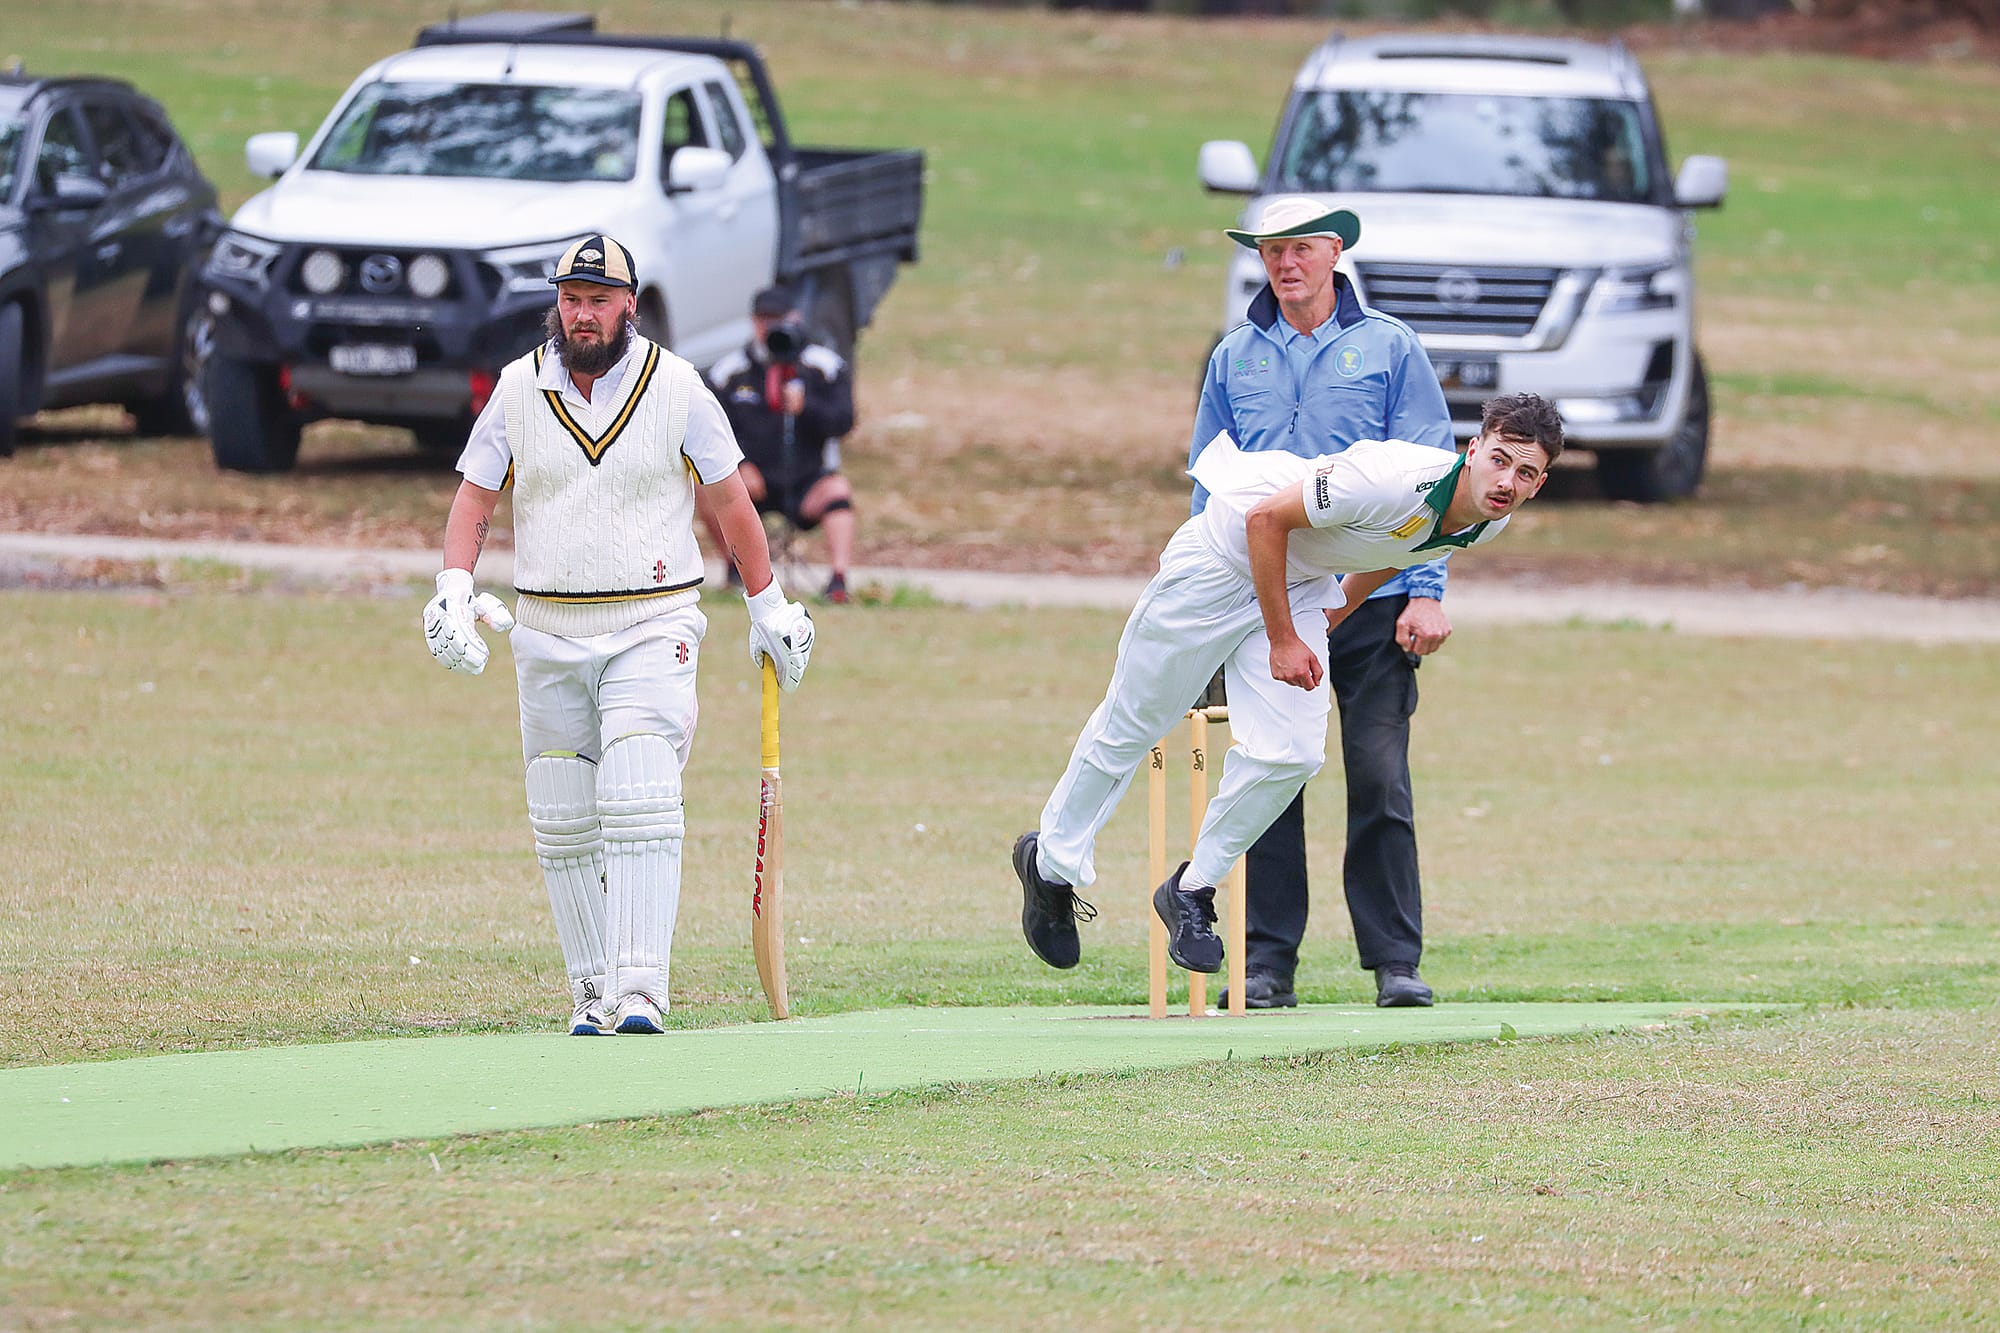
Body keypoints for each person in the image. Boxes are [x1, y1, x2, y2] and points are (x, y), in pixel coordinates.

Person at [1014, 395, 1563, 979]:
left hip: (1297, 583)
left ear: (1541, 482)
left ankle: (1192, 890)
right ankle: (1050, 866)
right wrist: (1282, 639)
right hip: (1222, 559)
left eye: (1525, 472)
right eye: (1499, 460)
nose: (1506, 480)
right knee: (1134, 726)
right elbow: (1265, 520)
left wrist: (1334, 614)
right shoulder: (1389, 479)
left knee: (1293, 752)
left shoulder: (1487, 521)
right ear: (1472, 450)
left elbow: (1401, 550)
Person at [422, 234, 816, 1037]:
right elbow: (473, 501)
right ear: (556, 304)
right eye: (573, 299)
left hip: (652, 621)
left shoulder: (676, 387)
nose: (584, 314)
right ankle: (592, 990)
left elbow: (731, 502)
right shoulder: (516, 388)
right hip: (547, 626)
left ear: (630, 305)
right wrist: (454, 587)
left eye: (601, 300)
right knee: (564, 811)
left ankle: (642, 989)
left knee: (639, 791)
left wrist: (767, 602)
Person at [1190, 194, 1460, 1010]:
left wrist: (1426, 592)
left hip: (1371, 595)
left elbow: (1437, 481)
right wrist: (1207, 607)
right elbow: (1209, 485)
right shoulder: (1234, 356)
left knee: (1378, 774)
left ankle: (1394, 962)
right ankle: (1269, 962)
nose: (1286, 262)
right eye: (1271, 250)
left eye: (1301, 247)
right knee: (1273, 771)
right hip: (1270, 600)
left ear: (1334, 251)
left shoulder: (1388, 347)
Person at [704, 286, 858, 603]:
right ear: (752, 322)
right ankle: (736, 570)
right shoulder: (730, 372)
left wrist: (807, 407)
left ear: (794, 319)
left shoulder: (823, 365)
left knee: (838, 491)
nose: (770, 327)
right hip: (751, 480)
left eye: (777, 319)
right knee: (706, 488)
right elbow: (711, 428)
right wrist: (740, 464)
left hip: (807, 479)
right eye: (763, 319)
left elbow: (845, 421)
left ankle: (839, 580)